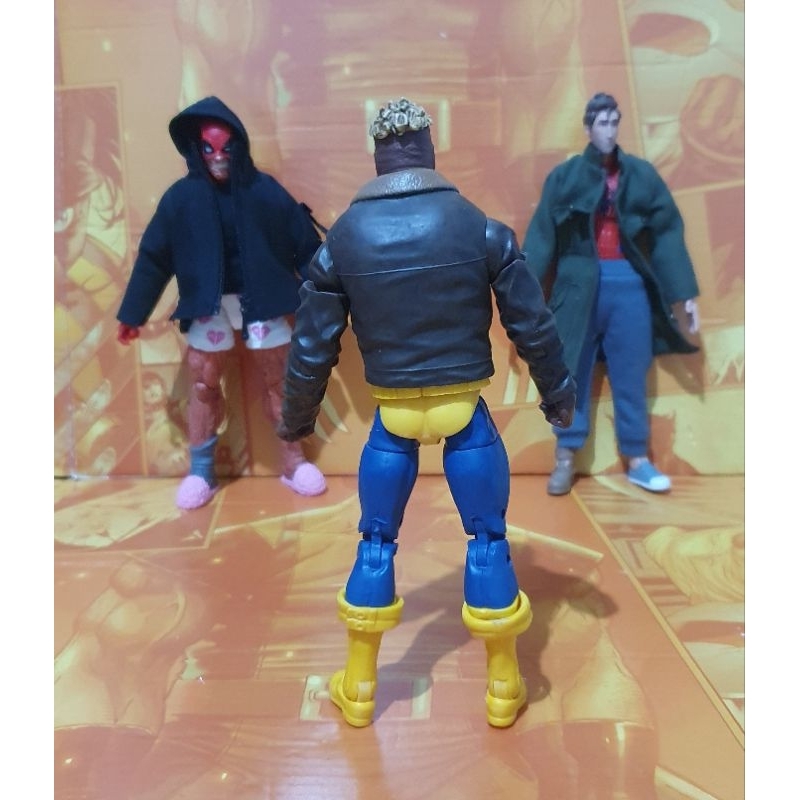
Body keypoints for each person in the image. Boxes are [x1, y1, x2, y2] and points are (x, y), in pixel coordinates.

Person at [276, 98, 576, 729]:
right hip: (464, 412)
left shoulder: (345, 240)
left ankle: (360, 687)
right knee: (488, 542)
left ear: (378, 156)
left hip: (393, 417)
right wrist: (557, 394)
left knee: (375, 543)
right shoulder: (478, 226)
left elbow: (312, 345)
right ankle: (504, 685)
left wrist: (298, 419)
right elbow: (533, 323)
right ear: (429, 149)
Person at [116, 96, 326, 510]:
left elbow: (305, 243)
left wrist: (329, 295)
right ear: (195, 148)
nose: (217, 157)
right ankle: (201, 470)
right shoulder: (181, 199)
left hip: (262, 302)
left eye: (226, 148)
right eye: (209, 148)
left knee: (279, 380)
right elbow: (155, 257)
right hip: (207, 306)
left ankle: (293, 460)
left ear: (239, 146)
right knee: (203, 383)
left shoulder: (263, 190)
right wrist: (133, 313)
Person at [522, 92, 700, 496]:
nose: (609, 130)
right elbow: (542, 235)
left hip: (629, 286)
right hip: (576, 286)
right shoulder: (565, 176)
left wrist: (683, 292)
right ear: (588, 128)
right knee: (570, 373)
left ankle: (637, 457)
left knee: (631, 372)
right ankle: (565, 455)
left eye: (614, 122)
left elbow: (667, 231)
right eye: (602, 123)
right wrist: (525, 294)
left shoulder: (640, 174)